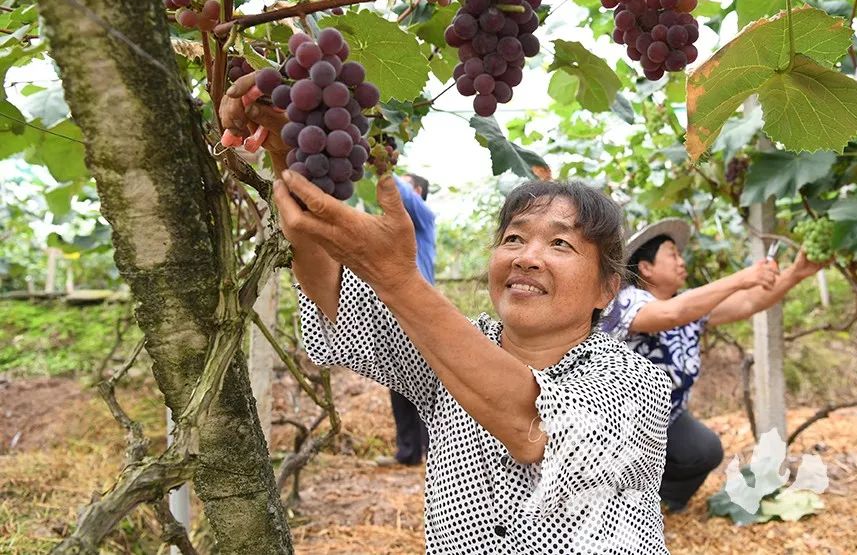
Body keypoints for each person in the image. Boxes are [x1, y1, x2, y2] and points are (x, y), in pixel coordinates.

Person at [221, 80, 674, 553]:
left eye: (560, 243)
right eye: (514, 239)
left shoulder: (636, 382)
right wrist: (290, 155)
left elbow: (533, 429)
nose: (526, 257)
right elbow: (334, 292)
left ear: (607, 287)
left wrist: (398, 279)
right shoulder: (451, 349)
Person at [600, 218, 824, 513]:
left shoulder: (689, 307)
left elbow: (747, 304)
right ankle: (608, 506)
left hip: (664, 419)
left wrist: (796, 273)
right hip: (614, 426)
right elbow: (669, 314)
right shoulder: (626, 301)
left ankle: (657, 503)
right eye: (672, 254)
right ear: (645, 267)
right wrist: (742, 277)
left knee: (703, 451)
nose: (681, 261)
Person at [384, 172, 435, 467]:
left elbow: (396, 190)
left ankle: (430, 452)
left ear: (417, 191)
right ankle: (408, 453)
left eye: (405, 183)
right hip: (396, 312)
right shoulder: (393, 230)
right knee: (398, 382)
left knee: (420, 383)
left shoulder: (424, 217)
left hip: (420, 312)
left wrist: (379, 164)